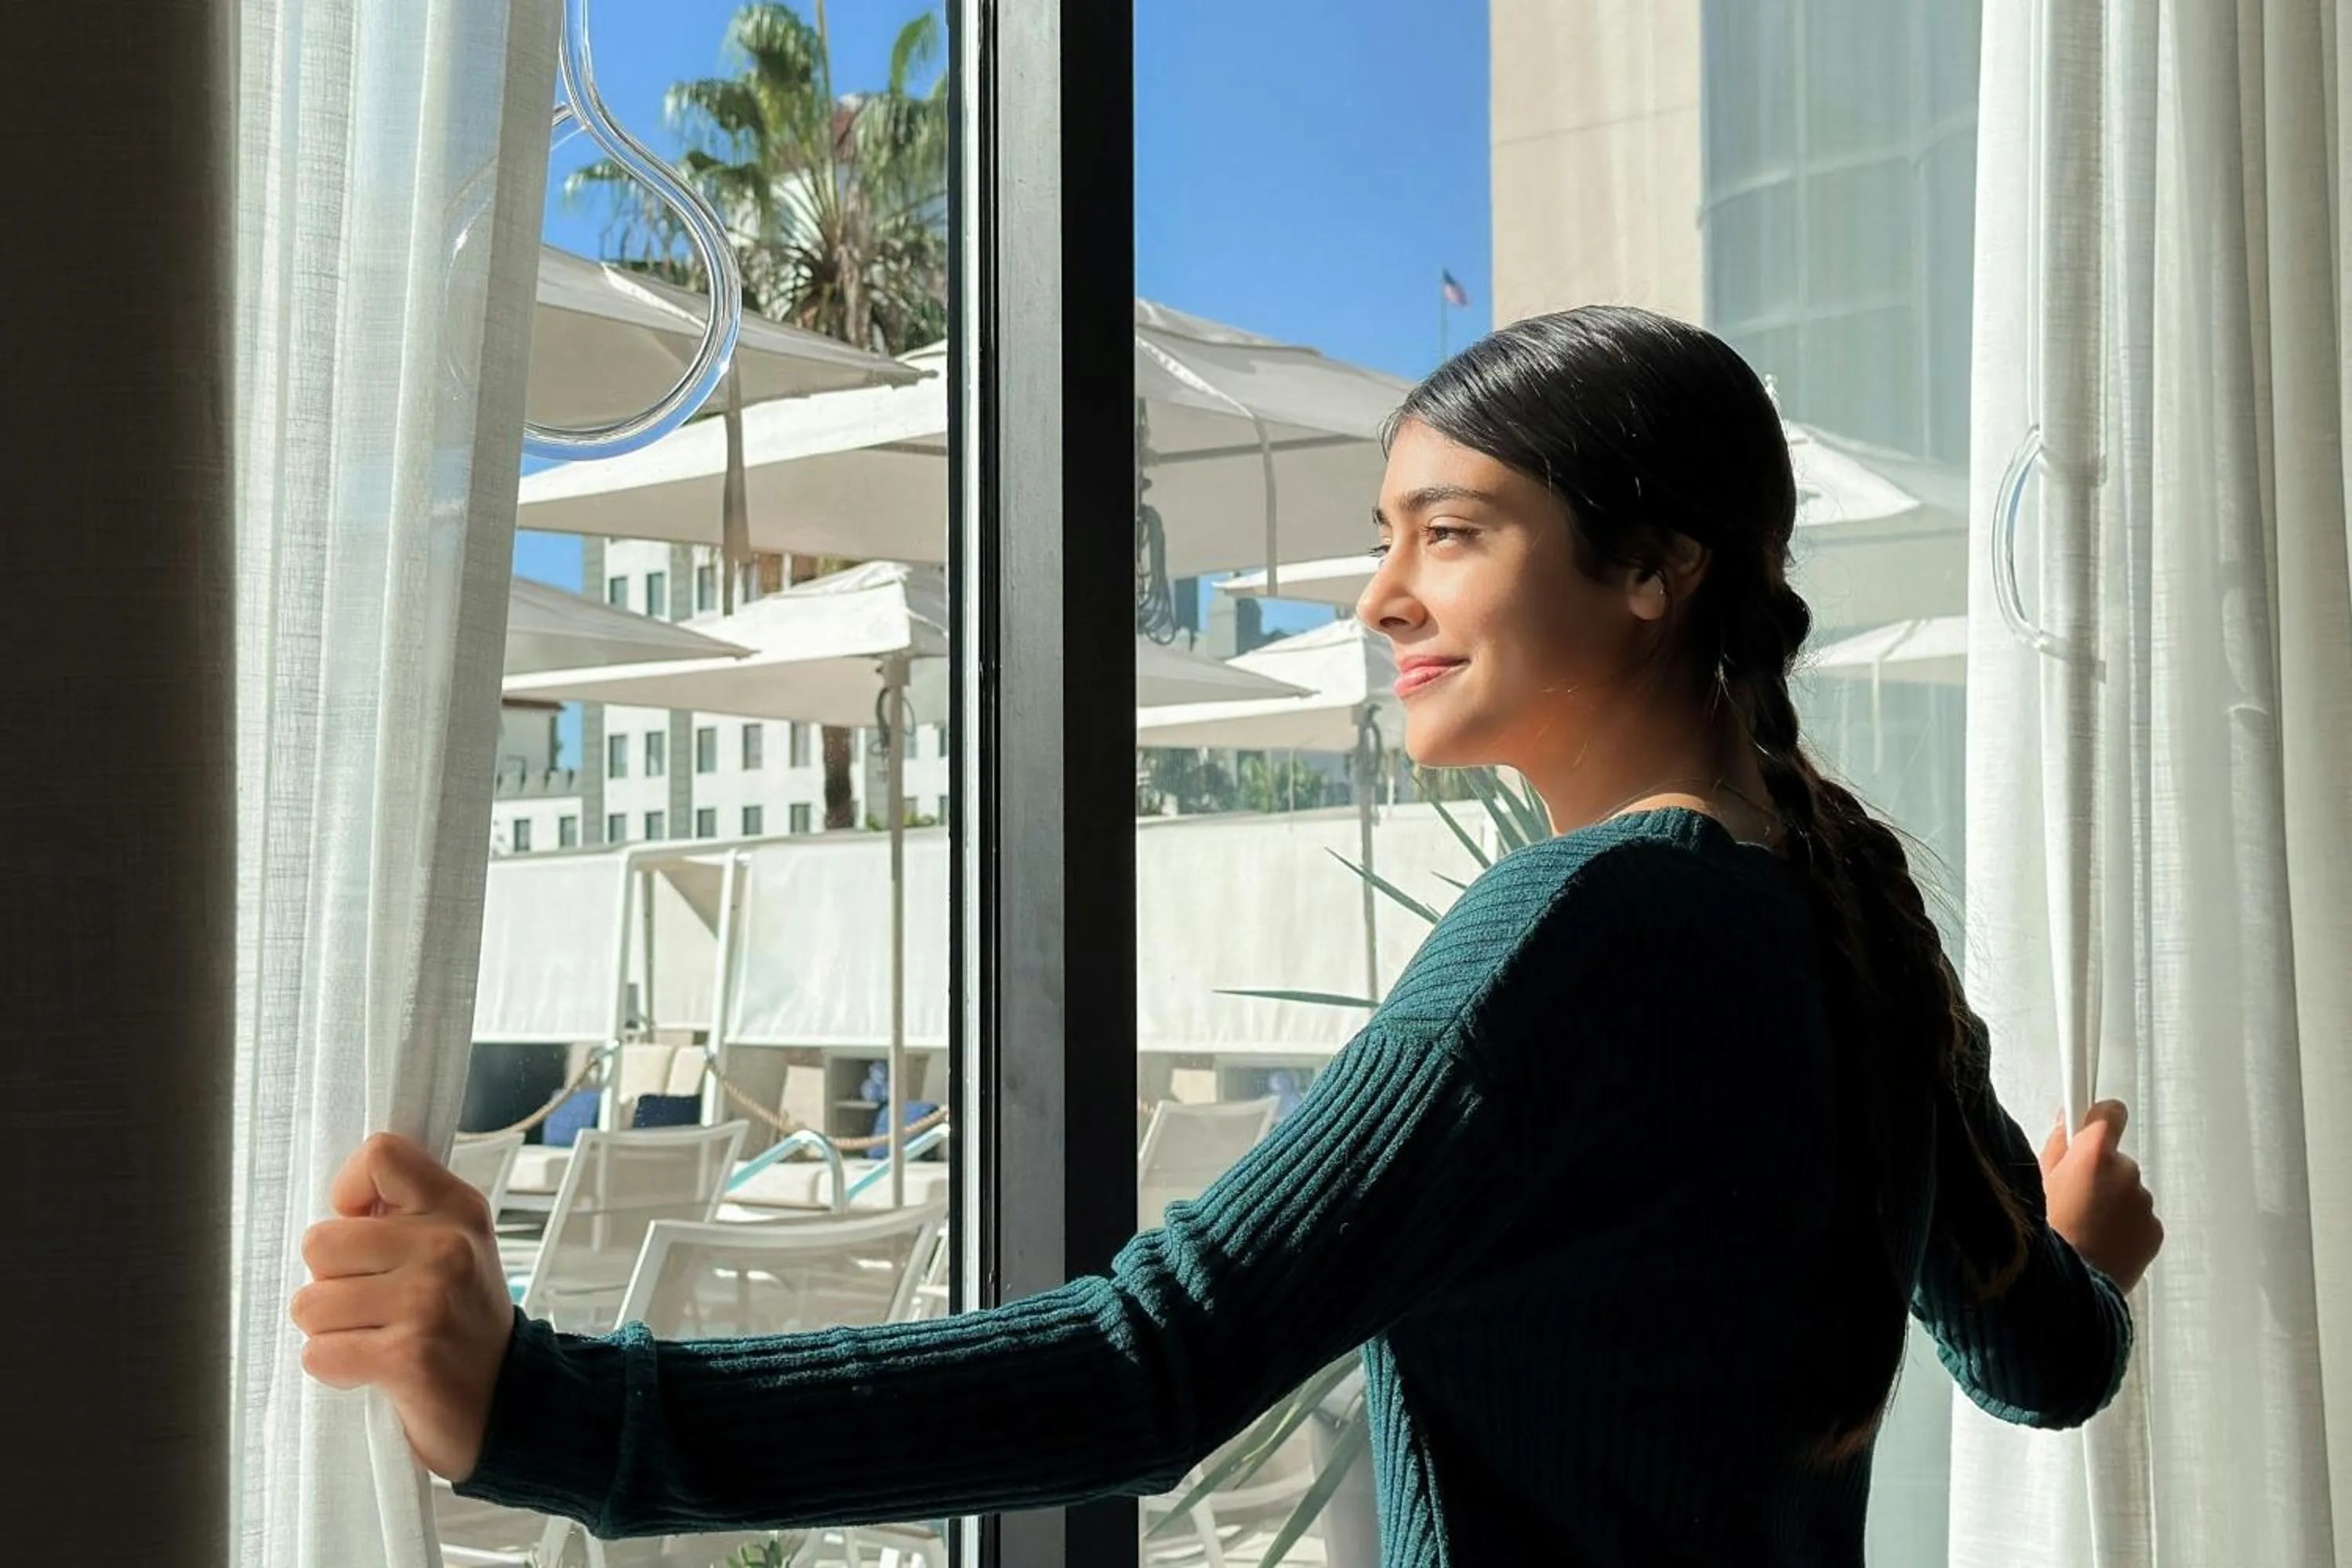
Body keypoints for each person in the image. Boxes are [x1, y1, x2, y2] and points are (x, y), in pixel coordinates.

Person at [293, 307, 2164, 1566]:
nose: (1379, 595)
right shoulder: (1845, 931)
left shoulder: (1581, 930)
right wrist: (2069, 1239)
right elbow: (2048, 1359)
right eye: (1386, 534)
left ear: (1659, 571)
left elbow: (1153, 1362)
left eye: (1449, 533)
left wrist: (550, 1410)